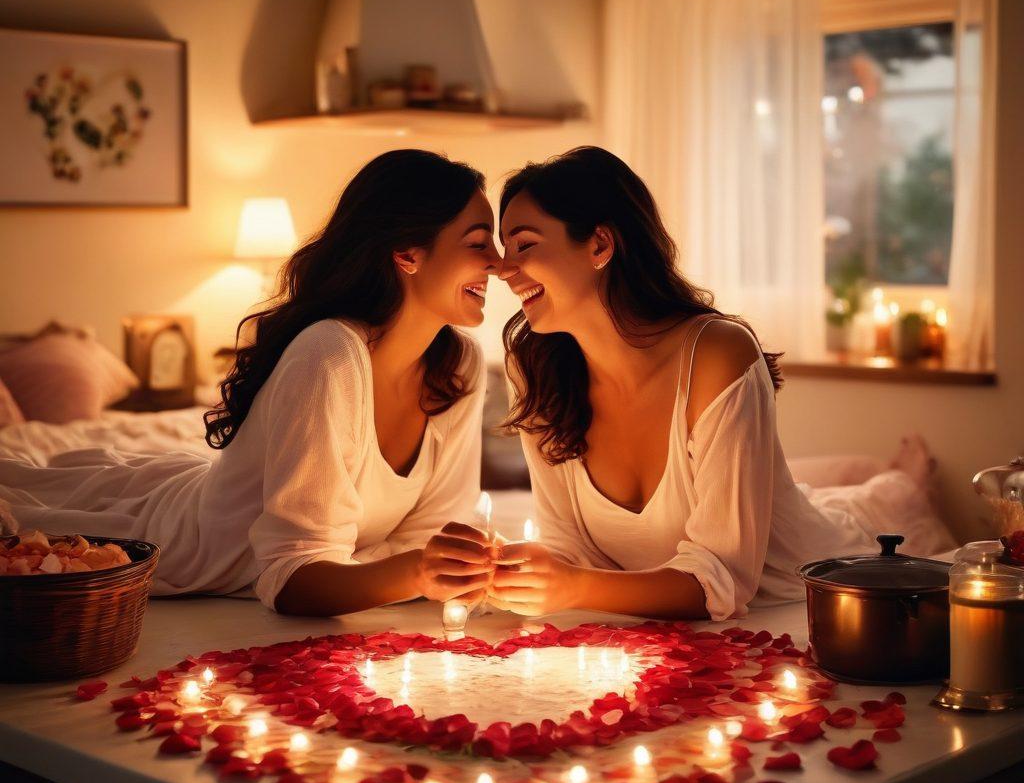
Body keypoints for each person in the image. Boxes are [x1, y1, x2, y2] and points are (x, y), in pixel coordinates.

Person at [0, 150, 497, 616]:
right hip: (188, 538)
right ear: (407, 254)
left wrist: (431, 568)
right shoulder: (329, 354)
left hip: (212, 492)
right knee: (27, 511)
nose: (498, 261)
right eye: (478, 243)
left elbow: (436, 538)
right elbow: (291, 577)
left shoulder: (460, 365)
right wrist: (412, 572)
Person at [490, 146, 942, 621]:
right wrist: (505, 571)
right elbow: (568, 549)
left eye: (524, 245)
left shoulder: (715, 353)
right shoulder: (535, 368)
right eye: (502, 249)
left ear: (600, 244)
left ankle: (900, 484)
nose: (504, 269)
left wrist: (574, 586)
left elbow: (721, 579)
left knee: (890, 505)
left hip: (798, 593)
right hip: (684, 609)